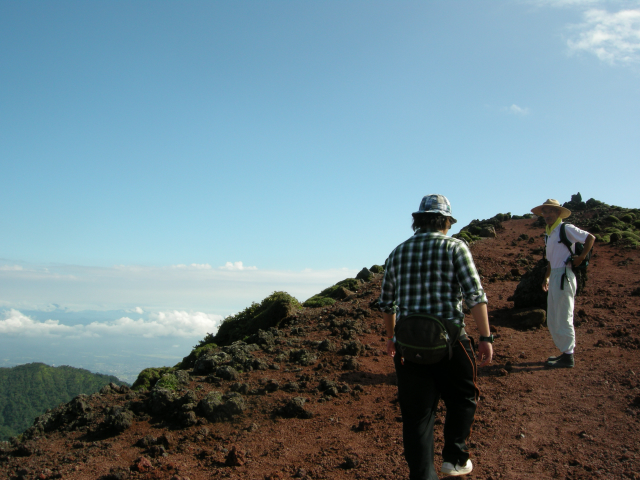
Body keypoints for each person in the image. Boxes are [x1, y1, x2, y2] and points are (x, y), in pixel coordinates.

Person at [379, 194, 493, 479]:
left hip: (409, 346)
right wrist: (486, 337)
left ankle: (422, 475)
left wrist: (392, 338)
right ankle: (454, 457)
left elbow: (387, 303)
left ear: (419, 220)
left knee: (416, 416)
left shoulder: (397, 252)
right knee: (464, 396)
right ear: (445, 221)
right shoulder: (456, 248)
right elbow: (475, 296)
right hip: (451, 343)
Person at [531, 199, 595, 369]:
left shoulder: (565, 229)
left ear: (558, 213)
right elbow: (551, 260)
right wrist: (546, 277)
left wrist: (580, 257)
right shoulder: (549, 233)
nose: (547, 215)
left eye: (551, 211)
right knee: (553, 318)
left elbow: (590, 238)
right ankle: (565, 352)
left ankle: (568, 356)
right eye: (544, 212)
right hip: (555, 277)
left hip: (565, 276)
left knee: (564, 316)